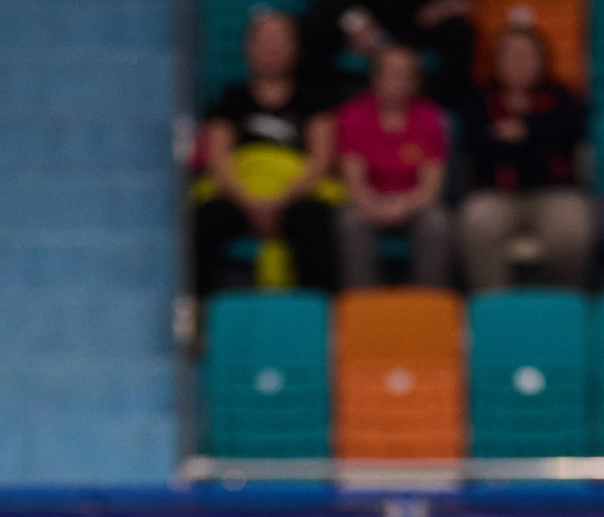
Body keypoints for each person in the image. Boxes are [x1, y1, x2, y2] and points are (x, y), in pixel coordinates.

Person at [195, 9, 341, 297]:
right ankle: (201, 313)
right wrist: (250, 203)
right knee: (207, 217)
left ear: (295, 48)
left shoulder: (314, 98)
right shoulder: (231, 98)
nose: (272, 48)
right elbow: (218, 157)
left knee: (315, 220)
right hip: (242, 193)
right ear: (249, 48)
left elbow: (321, 159)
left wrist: (279, 203)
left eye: (280, 40)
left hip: (295, 195)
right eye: (265, 40)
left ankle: (318, 314)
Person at [458, 24, 592, 292]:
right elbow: (477, 146)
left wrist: (525, 132)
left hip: (552, 193)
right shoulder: (479, 101)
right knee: (476, 219)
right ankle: (494, 306)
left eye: (527, 55)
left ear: (542, 61)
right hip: (496, 194)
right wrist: (536, 141)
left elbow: (567, 138)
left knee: (573, 226)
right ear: (496, 61)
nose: (518, 63)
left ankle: (561, 304)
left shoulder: (562, 98)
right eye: (510, 55)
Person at [335, 45, 455, 289]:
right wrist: (373, 205)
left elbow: (431, 187)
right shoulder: (353, 116)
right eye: (391, 74)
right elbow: (354, 183)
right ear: (375, 78)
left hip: (414, 201)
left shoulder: (431, 118)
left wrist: (403, 206)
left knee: (437, 222)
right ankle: (362, 303)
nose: (397, 82)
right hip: (370, 201)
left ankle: (428, 302)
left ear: (416, 82)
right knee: (350, 220)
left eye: (406, 75)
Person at [304, 0, 480, 110]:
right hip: (363, 19)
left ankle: (433, 112)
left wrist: (443, 7)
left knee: (459, 30)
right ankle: (316, 109)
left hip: (417, 21)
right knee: (317, 26)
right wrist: (356, 22)